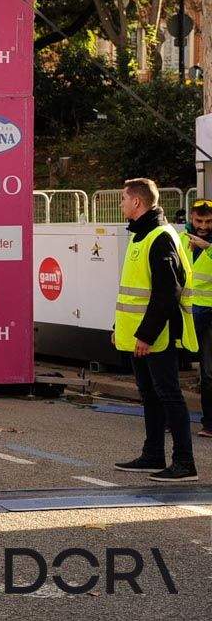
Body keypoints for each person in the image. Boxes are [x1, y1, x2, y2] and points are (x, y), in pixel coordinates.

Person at [110, 179, 199, 482]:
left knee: (169, 394)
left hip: (156, 336)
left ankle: (185, 462)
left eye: (123, 198)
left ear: (137, 202)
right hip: (140, 335)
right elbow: (134, 294)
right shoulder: (140, 236)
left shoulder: (160, 237)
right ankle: (153, 454)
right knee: (149, 394)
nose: (121, 203)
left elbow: (167, 292)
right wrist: (118, 328)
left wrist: (146, 335)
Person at [179, 198, 212, 438]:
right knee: (169, 366)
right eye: (198, 220)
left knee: (208, 372)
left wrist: (208, 248)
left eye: (209, 221)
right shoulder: (181, 240)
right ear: (191, 218)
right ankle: (172, 419)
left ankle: (209, 423)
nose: (203, 225)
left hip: (208, 313)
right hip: (185, 312)